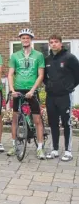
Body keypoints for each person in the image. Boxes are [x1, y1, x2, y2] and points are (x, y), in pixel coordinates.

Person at [7, 28, 46, 159]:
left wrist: (32, 90)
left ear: (31, 39)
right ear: (20, 40)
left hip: (32, 90)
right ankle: (13, 145)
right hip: (18, 89)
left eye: (27, 38)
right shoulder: (15, 56)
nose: (25, 40)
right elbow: (10, 74)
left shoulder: (38, 55)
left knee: (37, 119)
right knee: (15, 118)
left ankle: (40, 148)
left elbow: (40, 75)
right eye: (23, 38)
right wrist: (12, 90)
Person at [44, 34, 79, 162]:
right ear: (49, 44)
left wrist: (69, 87)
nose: (53, 44)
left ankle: (68, 151)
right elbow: (44, 78)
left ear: (61, 43)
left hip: (65, 96)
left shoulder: (69, 58)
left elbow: (77, 75)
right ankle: (54, 149)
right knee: (53, 123)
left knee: (66, 123)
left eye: (56, 42)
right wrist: (49, 86)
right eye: (51, 42)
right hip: (51, 96)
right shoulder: (47, 59)